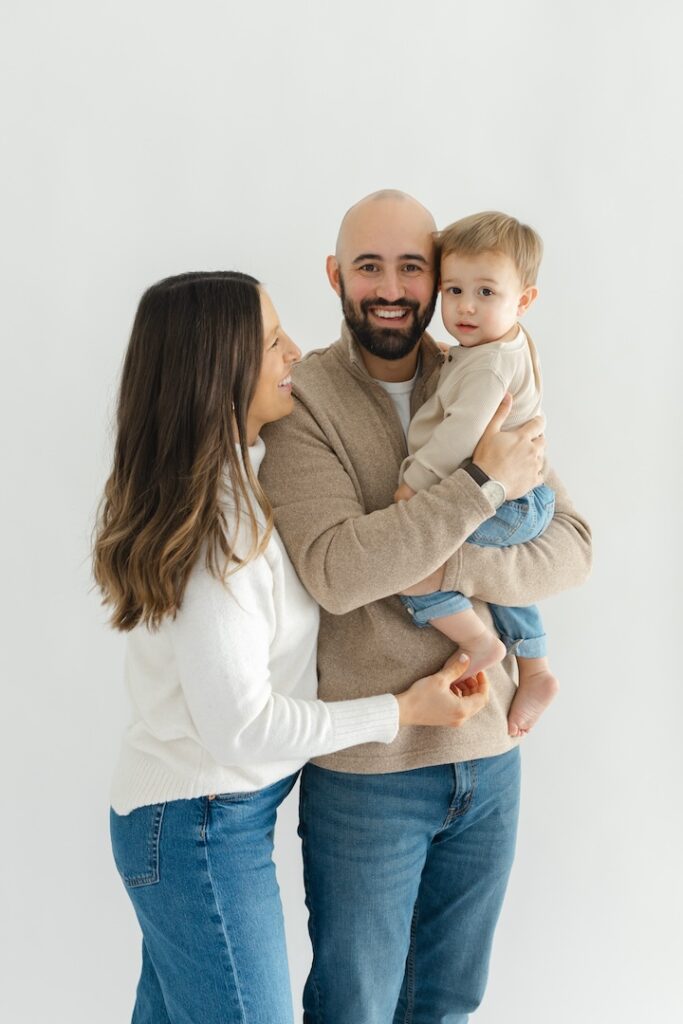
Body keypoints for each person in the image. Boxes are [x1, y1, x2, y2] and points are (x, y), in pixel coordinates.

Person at [92, 270, 490, 1024]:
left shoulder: (234, 487)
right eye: (273, 341)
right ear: (221, 370)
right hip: (196, 824)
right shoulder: (220, 530)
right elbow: (239, 727)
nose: (296, 352)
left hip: (200, 817)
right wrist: (398, 711)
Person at [260, 191, 592, 1023]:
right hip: (370, 772)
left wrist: (431, 556)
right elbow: (337, 571)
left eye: (413, 266)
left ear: (439, 278)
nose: (392, 286)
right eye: (368, 265)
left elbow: (572, 543)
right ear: (337, 276)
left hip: (491, 757)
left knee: (447, 1002)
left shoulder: (483, 369)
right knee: (356, 1007)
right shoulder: (302, 407)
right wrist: (481, 488)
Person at [395, 210, 559, 738]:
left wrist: (415, 484)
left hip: (510, 500)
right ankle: (533, 665)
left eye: (486, 292)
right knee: (498, 570)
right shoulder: (492, 348)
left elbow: (459, 436)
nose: (465, 306)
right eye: (454, 289)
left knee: (410, 560)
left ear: (524, 300)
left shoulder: (487, 366)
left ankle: (479, 642)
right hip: (524, 495)